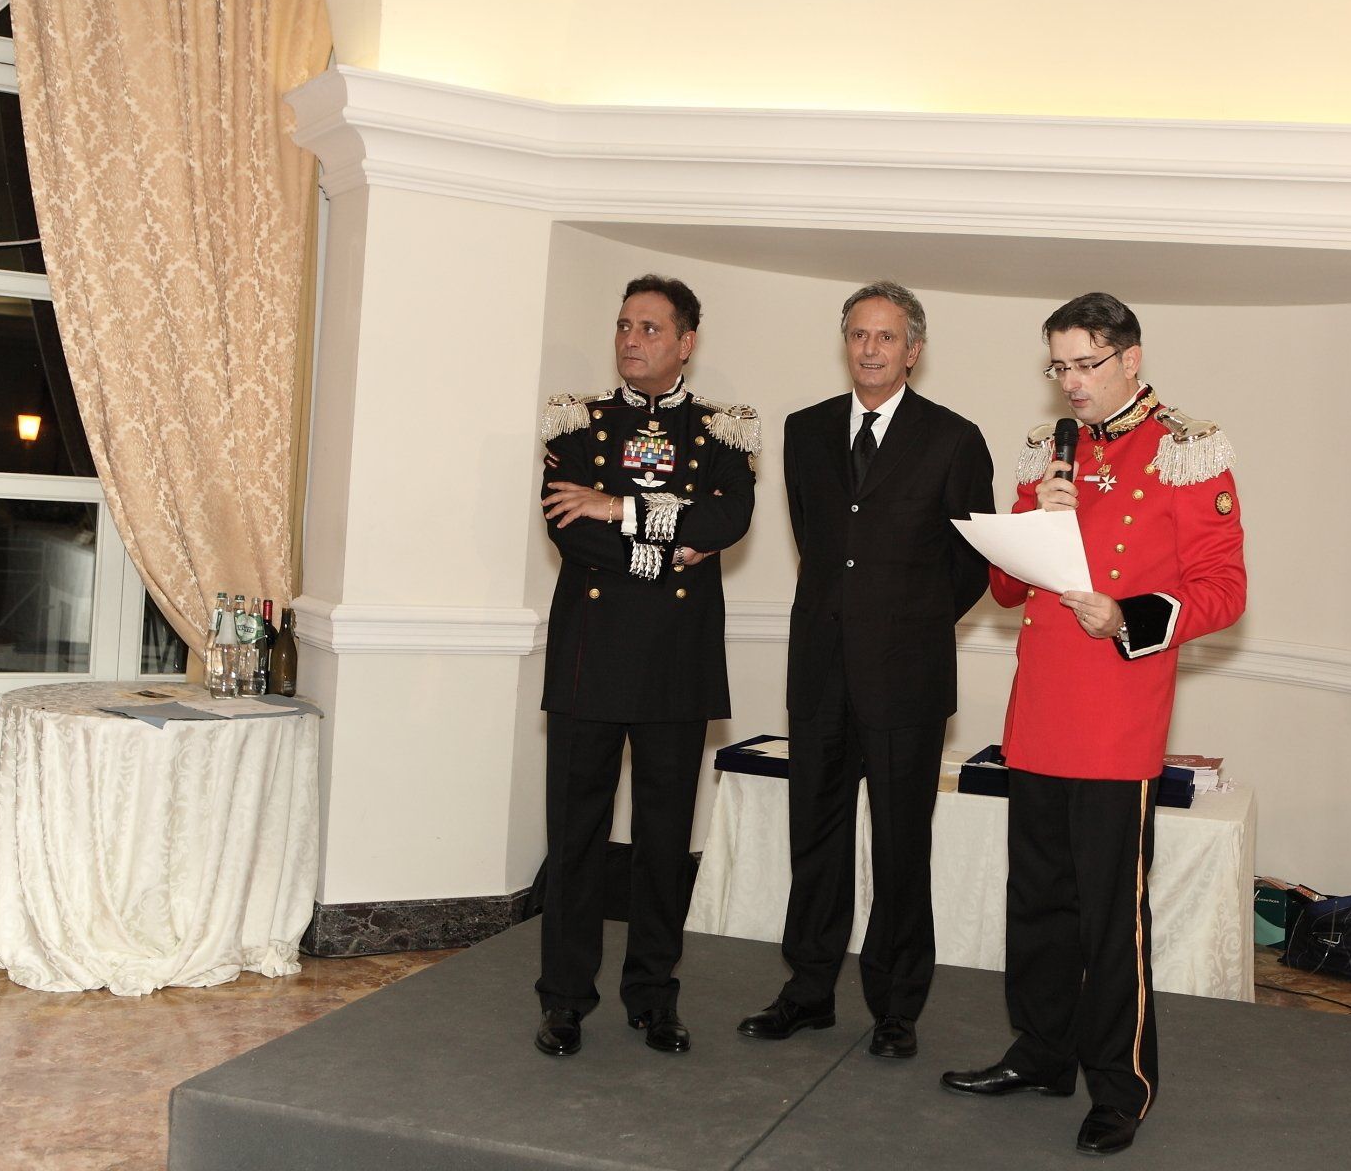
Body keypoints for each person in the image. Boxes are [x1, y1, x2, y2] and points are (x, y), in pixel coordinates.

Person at [939, 292, 1246, 1156]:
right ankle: (1041, 1053)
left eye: (1085, 363)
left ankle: (1122, 1085)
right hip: (1040, 712)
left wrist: (1129, 616)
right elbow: (1008, 590)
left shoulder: (1185, 450)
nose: (1070, 382)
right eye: (1059, 365)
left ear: (1129, 359)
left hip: (1116, 719)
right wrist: (1034, 518)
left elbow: (1225, 588)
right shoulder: (1050, 452)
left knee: (1111, 919)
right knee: (1037, 901)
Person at [737, 281, 995, 1060]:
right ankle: (808, 991)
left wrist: (906, 626)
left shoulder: (953, 438)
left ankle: (896, 1007)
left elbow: (972, 564)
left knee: (900, 846)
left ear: (913, 350)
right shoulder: (805, 429)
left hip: (906, 679)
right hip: (819, 671)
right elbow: (816, 541)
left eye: (886, 337)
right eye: (858, 334)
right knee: (814, 838)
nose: (870, 349)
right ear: (845, 342)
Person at [533, 274, 757, 1058]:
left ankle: (654, 995)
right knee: (576, 837)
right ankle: (564, 998)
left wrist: (619, 507)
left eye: (651, 328)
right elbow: (567, 524)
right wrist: (665, 551)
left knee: (663, 842)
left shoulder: (722, 431)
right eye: (625, 325)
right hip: (590, 658)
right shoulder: (578, 423)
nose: (632, 339)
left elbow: (728, 517)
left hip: (674, 662)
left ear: (686, 343)